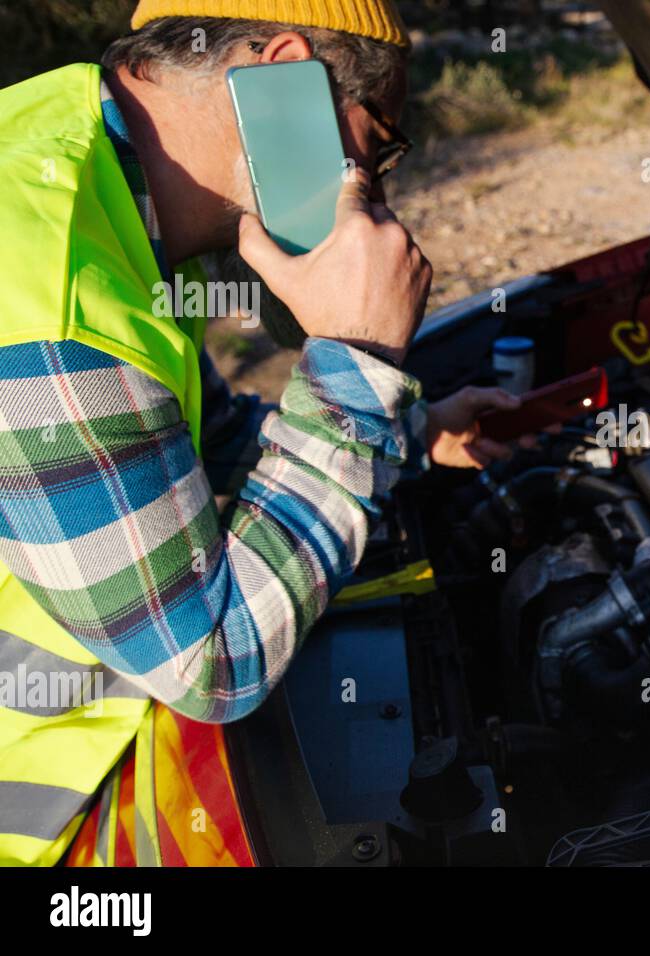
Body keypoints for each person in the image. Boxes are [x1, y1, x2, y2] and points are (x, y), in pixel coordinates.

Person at [0, 0, 518, 865]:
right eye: (378, 141)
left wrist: (414, 431)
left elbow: (190, 445)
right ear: (285, 75)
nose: (375, 186)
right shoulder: (47, 304)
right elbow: (216, 658)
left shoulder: (78, 168)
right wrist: (357, 362)